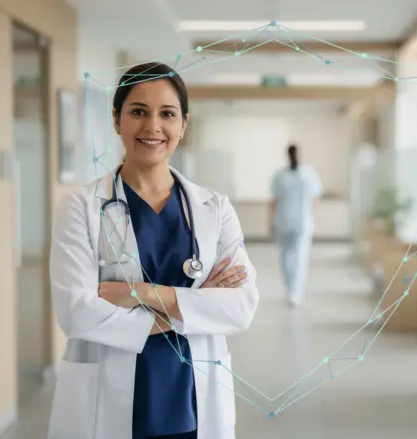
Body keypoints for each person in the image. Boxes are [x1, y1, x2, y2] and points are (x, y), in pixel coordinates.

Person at [47, 62, 260, 439]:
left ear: (183, 124)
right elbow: (77, 313)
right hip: (108, 399)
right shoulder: (82, 207)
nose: (153, 127)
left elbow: (240, 307)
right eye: (138, 112)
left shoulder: (215, 209)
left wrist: (143, 295)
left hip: (193, 395)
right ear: (117, 120)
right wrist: (194, 307)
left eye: (167, 114)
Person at [269, 144, 323, 308]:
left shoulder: (286, 175)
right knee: (295, 258)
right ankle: (293, 291)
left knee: (291, 257)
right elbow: (315, 200)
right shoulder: (304, 174)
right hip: (295, 221)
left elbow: (273, 201)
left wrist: (270, 222)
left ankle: (292, 291)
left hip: (292, 221)